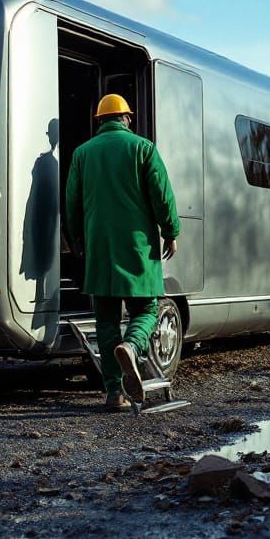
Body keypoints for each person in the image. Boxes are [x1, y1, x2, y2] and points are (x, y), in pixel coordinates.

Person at [65, 93, 180, 409]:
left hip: (99, 248)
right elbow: (162, 195)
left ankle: (114, 393)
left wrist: (76, 240)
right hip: (137, 247)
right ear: (126, 118)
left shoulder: (82, 153)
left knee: (105, 320)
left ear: (100, 120)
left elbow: (72, 202)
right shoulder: (142, 148)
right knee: (147, 310)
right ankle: (131, 345)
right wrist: (171, 231)